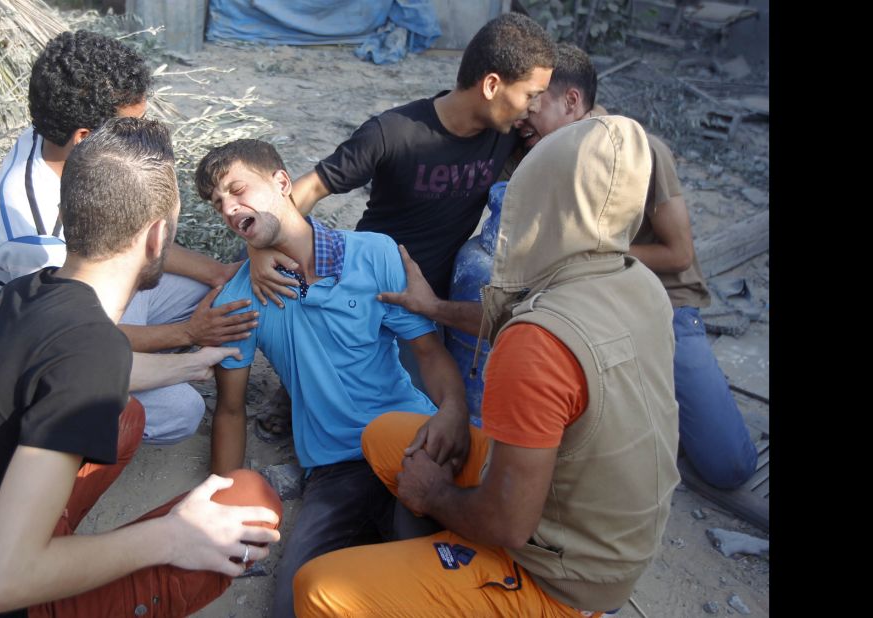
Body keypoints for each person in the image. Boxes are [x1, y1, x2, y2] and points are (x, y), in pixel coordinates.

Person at [0, 117, 282, 618]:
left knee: (127, 416)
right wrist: (171, 536)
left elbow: (84, 369)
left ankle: (51, 541)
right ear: (158, 236)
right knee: (252, 501)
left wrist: (193, 366)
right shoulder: (87, 354)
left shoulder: (31, 291)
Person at [294, 115, 680, 618]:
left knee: (318, 587)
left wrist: (434, 495)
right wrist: (432, 309)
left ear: (542, 201)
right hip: (601, 533)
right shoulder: (634, 281)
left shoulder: (537, 343)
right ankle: (447, 555)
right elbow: (509, 317)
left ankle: (482, 582)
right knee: (385, 435)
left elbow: (507, 524)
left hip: (559, 579)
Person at [388, 43, 758, 489]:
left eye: (534, 104)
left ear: (571, 102)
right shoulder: (533, 148)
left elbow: (679, 255)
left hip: (660, 307)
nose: (523, 117)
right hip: (570, 306)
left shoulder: (639, 151)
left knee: (729, 466)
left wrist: (580, 256)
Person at [244, 11, 558, 437]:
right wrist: (259, 248)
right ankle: (298, 386)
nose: (535, 107)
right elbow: (310, 188)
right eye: (530, 95)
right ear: (491, 86)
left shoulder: (508, 131)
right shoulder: (393, 133)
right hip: (367, 286)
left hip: (429, 298)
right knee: (343, 397)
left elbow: (578, 122)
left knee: (418, 405)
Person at [194, 138, 472, 618]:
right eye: (219, 203)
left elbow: (428, 352)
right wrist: (224, 512)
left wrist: (451, 412)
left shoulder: (375, 255)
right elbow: (231, 410)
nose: (228, 208)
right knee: (296, 601)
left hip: (412, 436)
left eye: (237, 190)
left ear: (283, 183)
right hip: (335, 467)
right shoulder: (238, 301)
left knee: (432, 571)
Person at [0, 29, 257, 447]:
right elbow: (73, 335)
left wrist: (220, 273)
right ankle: (66, 445)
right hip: (32, 348)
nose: (140, 138)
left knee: (201, 291)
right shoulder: (34, 232)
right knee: (181, 411)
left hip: (75, 299)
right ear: (85, 137)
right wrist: (189, 335)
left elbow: (130, 235)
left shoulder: (59, 145)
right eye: (130, 128)